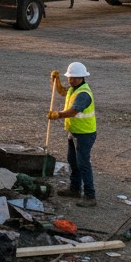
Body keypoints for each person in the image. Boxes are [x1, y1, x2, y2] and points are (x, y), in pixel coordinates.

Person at [48, 61, 97, 207]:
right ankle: (75, 188)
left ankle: (90, 196)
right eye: (70, 77)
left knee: (83, 164)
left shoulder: (83, 94)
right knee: (73, 161)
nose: (72, 80)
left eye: (75, 78)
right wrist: (55, 82)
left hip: (85, 134)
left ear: (82, 77)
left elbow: (74, 111)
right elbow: (64, 92)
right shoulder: (74, 89)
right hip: (75, 132)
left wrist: (58, 115)